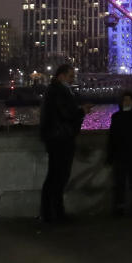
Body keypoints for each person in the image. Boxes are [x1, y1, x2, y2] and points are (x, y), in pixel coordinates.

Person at [39, 64, 91, 223]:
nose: (73, 78)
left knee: (55, 176)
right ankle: (54, 214)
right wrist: (82, 111)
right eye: (70, 76)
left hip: (56, 137)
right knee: (58, 177)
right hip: (60, 139)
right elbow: (66, 113)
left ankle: (50, 213)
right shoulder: (58, 90)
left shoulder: (54, 89)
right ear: (61, 76)